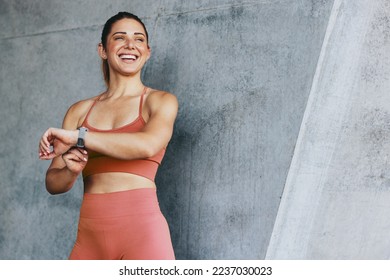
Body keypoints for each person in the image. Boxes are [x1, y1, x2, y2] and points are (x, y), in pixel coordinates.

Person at [38, 12, 178, 260]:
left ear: (147, 51)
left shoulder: (160, 101)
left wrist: (79, 138)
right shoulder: (79, 111)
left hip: (143, 234)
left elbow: (146, 145)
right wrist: (70, 171)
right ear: (103, 49)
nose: (130, 45)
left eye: (138, 39)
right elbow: (53, 183)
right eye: (120, 38)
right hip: (90, 237)